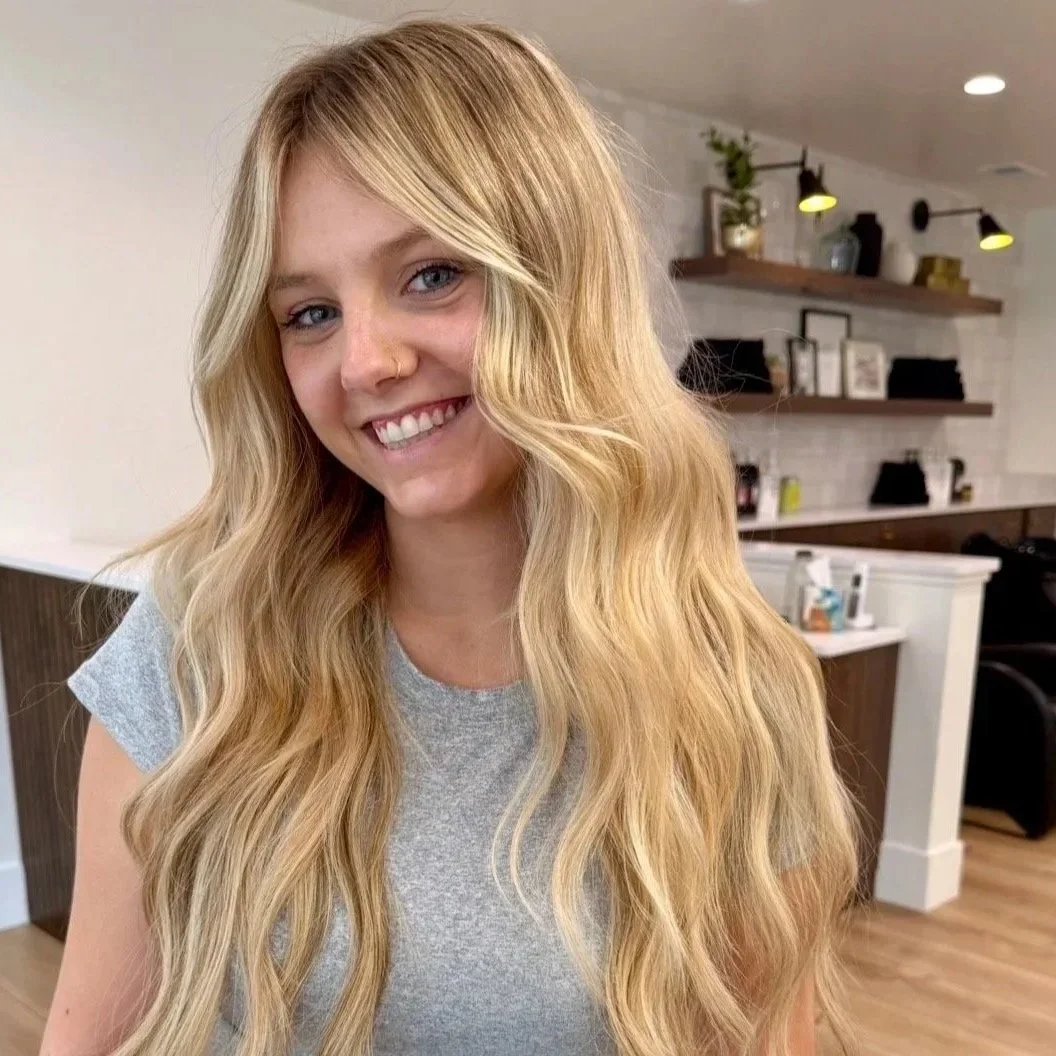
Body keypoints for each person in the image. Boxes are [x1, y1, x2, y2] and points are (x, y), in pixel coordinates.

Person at [41, 17, 860, 1056]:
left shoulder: (735, 689)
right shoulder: (201, 640)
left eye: (431, 274)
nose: (365, 362)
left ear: (561, 283)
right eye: (309, 313)